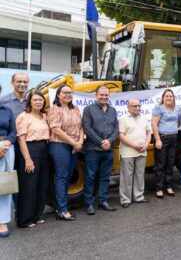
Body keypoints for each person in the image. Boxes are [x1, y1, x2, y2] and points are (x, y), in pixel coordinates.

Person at [47, 85, 84, 221]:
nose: (68, 95)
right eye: (65, 92)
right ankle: (61, 210)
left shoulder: (75, 109)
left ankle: (61, 207)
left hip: (74, 146)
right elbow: (56, 130)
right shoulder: (54, 110)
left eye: (70, 92)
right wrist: (74, 143)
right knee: (62, 177)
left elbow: (81, 126)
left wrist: (79, 141)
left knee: (68, 176)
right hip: (59, 146)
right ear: (58, 95)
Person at [82, 86, 119, 215]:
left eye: (106, 95)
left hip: (108, 150)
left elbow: (116, 129)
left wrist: (109, 141)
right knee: (90, 177)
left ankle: (103, 201)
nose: (104, 97)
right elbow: (87, 128)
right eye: (101, 95)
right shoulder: (88, 110)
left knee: (105, 177)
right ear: (95, 95)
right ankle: (89, 204)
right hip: (93, 150)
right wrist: (101, 142)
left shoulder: (113, 111)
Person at [16, 91, 50, 228]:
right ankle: (25, 219)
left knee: (42, 184)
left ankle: (37, 215)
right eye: (35, 100)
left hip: (44, 149)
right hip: (30, 150)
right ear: (30, 101)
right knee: (29, 186)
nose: (38, 102)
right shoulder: (24, 117)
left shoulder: (44, 116)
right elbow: (21, 139)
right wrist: (28, 159)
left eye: (40, 100)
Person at [0, 73, 29, 219]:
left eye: (25, 82)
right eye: (19, 81)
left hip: (26, 146)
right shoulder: (4, 101)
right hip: (8, 147)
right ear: (12, 83)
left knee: (22, 179)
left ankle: (21, 212)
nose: (22, 84)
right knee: (7, 178)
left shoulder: (31, 101)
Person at [118, 99, 151, 207]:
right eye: (134, 106)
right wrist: (134, 146)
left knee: (140, 176)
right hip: (128, 152)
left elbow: (148, 132)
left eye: (139, 106)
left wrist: (146, 145)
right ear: (128, 107)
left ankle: (138, 197)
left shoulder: (143, 117)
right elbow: (121, 136)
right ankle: (125, 200)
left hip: (142, 151)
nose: (137, 108)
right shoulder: (123, 119)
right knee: (126, 177)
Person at [152, 89, 180, 199]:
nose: (169, 98)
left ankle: (169, 185)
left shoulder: (177, 109)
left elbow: (179, 122)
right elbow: (154, 124)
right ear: (163, 98)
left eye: (171, 96)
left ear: (173, 98)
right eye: (167, 96)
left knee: (170, 163)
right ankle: (158, 188)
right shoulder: (159, 108)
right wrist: (158, 140)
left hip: (174, 139)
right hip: (162, 138)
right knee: (160, 164)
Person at [0, 84, 16, 237]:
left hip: (6, 147)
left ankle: (2, 221)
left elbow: (13, 131)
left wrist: (7, 143)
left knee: (4, 185)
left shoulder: (7, 110)